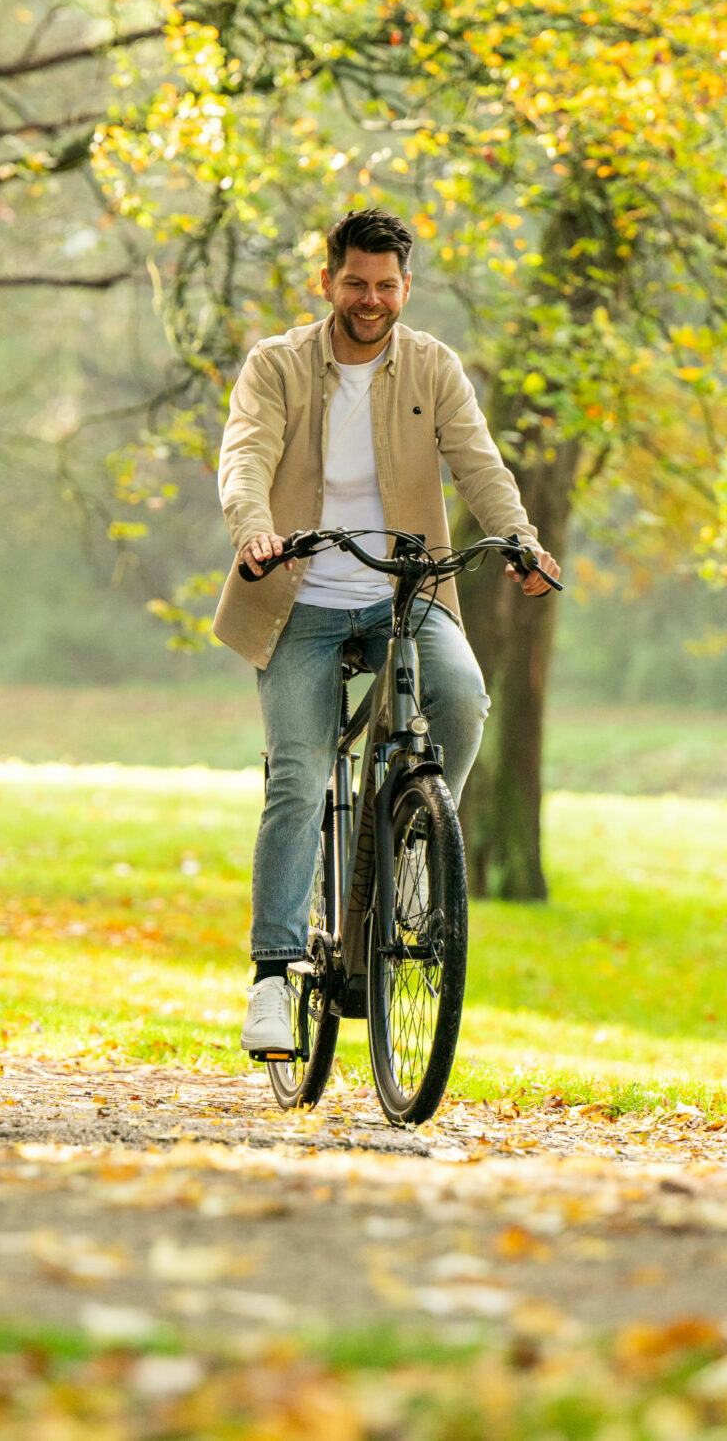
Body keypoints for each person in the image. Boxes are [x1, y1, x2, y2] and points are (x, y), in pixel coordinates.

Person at [213, 206, 561, 1058]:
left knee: (464, 698)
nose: (370, 299)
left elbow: (479, 461)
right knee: (298, 775)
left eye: (386, 285)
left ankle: (406, 831)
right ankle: (271, 974)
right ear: (328, 281)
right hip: (301, 597)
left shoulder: (433, 368)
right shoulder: (278, 365)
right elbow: (245, 454)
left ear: (405, 286)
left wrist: (518, 536)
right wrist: (253, 528)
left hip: (410, 593)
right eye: (356, 283)